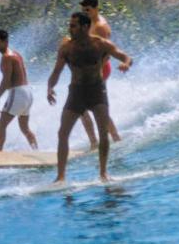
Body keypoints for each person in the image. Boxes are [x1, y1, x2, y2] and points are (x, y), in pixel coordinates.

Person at [47, 12, 132, 182]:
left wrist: (125, 64)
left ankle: (103, 173)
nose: (69, 29)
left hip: (96, 91)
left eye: (73, 25)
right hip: (76, 92)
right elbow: (57, 71)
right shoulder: (67, 48)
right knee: (63, 133)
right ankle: (60, 176)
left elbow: (125, 56)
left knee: (103, 132)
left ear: (85, 27)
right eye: (70, 25)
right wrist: (50, 87)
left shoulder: (99, 44)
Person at [77, 0, 125, 144]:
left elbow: (108, 52)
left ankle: (109, 139)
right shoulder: (89, 22)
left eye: (88, 9)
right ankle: (103, 140)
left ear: (96, 8)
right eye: (83, 10)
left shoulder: (101, 27)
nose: (85, 12)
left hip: (100, 69)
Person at [0, 29, 37, 151]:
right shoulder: (16, 54)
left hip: (18, 92)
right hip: (28, 92)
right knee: (24, 128)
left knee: (1, 125)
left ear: (5, 41)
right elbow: (24, 72)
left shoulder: (6, 57)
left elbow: (6, 80)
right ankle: (36, 150)